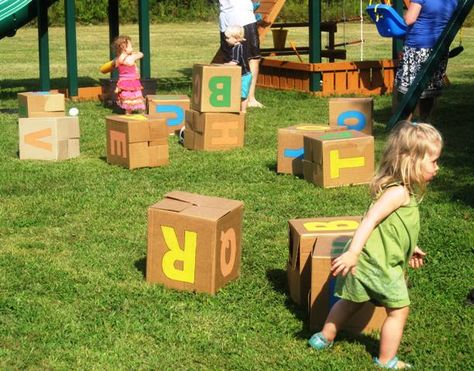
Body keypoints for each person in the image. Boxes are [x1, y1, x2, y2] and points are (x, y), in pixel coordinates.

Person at [308, 121, 443, 369]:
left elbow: (392, 228)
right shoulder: (398, 193)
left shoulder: (403, 191)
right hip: (380, 266)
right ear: (411, 161)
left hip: (368, 264)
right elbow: (369, 220)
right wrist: (352, 253)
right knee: (399, 310)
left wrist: (410, 246)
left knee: (351, 302)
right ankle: (385, 360)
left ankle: (324, 337)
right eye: (433, 161)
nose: (437, 167)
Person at [395, 0, 458, 121]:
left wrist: (402, 16)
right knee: (429, 88)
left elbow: (409, 19)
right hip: (439, 48)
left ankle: (404, 123)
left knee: (406, 87)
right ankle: (424, 121)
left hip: (417, 46)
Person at [218, 0, 264, 108]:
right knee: (253, 58)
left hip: (226, 18)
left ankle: (229, 96)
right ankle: (250, 98)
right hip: (243, 17)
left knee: (230, 59)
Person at [112, 35, 146, 114]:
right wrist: (134, 53)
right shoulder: (131, 57)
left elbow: (113, 65)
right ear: (124, 48)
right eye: (131, 46)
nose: (132, 48)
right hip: (132, 81)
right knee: (135, 95)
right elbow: (141, 54)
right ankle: (141, 111)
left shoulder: (117, 59)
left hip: (123, 82)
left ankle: (128, 111)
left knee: (127, 96)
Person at [224, 25, 252, 113]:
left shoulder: (237, 47)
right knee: (238, 93)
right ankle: (237, 109)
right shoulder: (239, 45)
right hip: (242, 74)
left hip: (244, 75)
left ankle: (243, 110)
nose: (226, 39)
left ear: (236, 38)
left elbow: (235, 62)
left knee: (243, 95)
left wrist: (225, 65)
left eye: (228, 37)